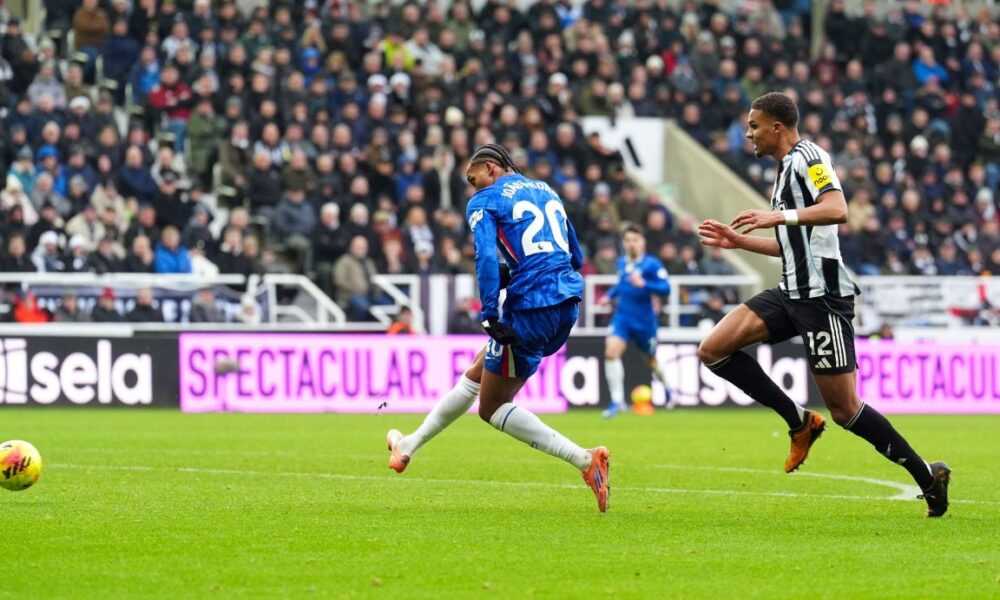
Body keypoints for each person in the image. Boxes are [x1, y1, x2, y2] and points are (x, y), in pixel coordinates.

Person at [696, 92, 950, 517]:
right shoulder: (783, 171)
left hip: (823, 298)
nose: (749, 133)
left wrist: (776, 217)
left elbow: (837, 209)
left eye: (754, 125)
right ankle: (800, 422)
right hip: (790, 291)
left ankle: (928, 476)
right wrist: (739, 241)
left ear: (777, 126)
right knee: (713, 349)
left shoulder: (809, 156)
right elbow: (794, 245)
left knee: (846, 409)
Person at [385, 144, 610, 512]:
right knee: (478, 372)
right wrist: (521, 271)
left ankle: (586, 460)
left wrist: (489, 311)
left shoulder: (485, 201)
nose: (474, 190)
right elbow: (577, 256)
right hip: (567, 304)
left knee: (492, 407)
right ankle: (409, 445)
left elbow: (486, 256)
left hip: (532, 307)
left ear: (491, 168)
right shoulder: (545, 189)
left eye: (475, 180)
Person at [597, 223, 674, 418]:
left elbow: (666, 288)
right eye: (628, 240)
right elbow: (621, 284)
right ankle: (616, 401)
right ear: (624, 243)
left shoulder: (652, 264)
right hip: (623, 316)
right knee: (611, 351)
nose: (632, 244)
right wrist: (609, 295)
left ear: (643, 242)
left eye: (635, 240)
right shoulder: (622, 262)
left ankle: (667, 387)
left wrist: (645, 284)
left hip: (644, 321)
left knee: (651, 360)